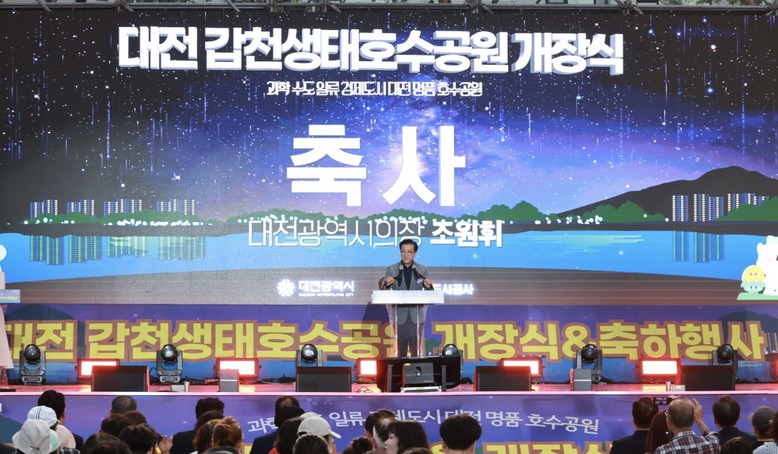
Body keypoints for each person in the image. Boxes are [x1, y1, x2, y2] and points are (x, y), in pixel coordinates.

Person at [380, 239, 434, 357]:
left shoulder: (422, 269)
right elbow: (384, 292)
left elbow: (429, 293)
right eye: (403, 251)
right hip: (399, 315)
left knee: (416, 351)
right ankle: (400, 369)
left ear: (414, 253)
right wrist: (387, 284)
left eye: (409, 252)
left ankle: (416, 369)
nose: (406, 255)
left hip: (416, 316)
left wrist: (428, 286)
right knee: (400, 351)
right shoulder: (392, 269)